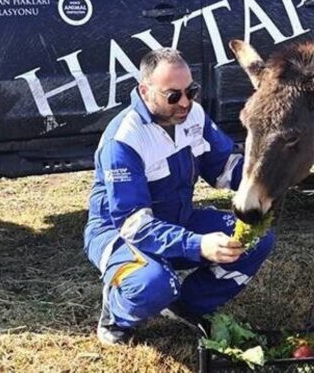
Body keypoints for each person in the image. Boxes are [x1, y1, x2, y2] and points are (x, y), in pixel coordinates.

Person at [83, 48, 275, 345]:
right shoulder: (123, 140)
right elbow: (134, 225)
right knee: (156, 283)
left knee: (257, 239)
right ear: (145, 91)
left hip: (178, 218)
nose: (185, 102)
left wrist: (266, 182)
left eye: (191, 91)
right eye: (173, 95)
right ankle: (117, 314)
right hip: (120, 233)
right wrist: (198, 245)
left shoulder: (192, 114)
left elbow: (223, 167)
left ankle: (185, 306)